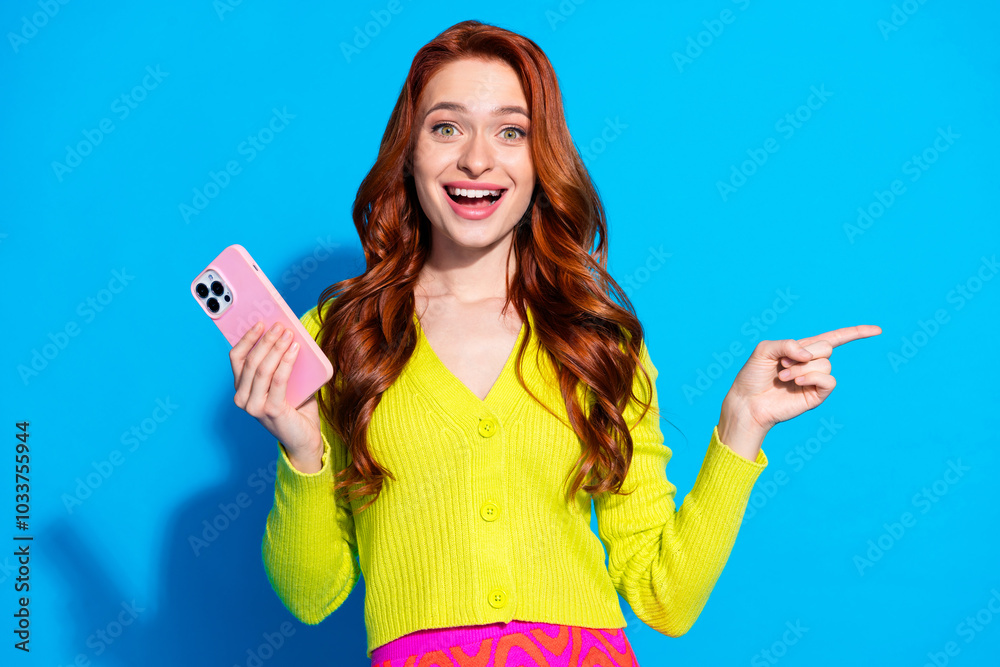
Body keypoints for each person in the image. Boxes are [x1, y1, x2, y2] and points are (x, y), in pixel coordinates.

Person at [229, 20, 881, 667]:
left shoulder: (596, 339)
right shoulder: (342, 335)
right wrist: (303, 451)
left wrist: (742, 427)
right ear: (410, 151)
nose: (477, 158)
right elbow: (312, 593)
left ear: (542, 159)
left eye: (511, 131)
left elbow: (665, 598)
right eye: (447, 126)